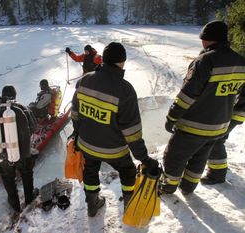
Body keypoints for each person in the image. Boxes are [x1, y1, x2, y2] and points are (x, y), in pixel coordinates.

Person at [71, 42, 158, 217]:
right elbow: (132, 133)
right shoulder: (125, 90)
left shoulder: (84, 81)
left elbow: (75, 115)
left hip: (87, 145)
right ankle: (129, 206)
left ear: (103, 59)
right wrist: (144, 158)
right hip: (115, 151)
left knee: (90, 171)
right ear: (122, 62)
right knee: (128, 173)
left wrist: (78, 137)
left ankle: (92, 206)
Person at [161, 20, 245, 195]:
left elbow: (187, 95)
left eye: (203, 39)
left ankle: (167, 187)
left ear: (209, 39)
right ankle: (188, 187)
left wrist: (172, 117)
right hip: (219, 126)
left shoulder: (205, 61)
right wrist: (233, 119)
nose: (201, 42)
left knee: (173, 157)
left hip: (194, 125)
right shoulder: (240, 62)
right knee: (199, 158)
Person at [0, 85, 37, 212]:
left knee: (7, 177)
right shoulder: (20, 107)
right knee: (27, 173)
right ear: (14, 96)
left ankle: (14, 204)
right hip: (21, 152)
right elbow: (33, 127)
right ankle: (29, 198)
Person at [201, 86, 245, 185]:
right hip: (235, 109)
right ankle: (219, 167)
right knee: (218, 138)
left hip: (236, 110)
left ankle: (217, 175)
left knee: (215, 139)